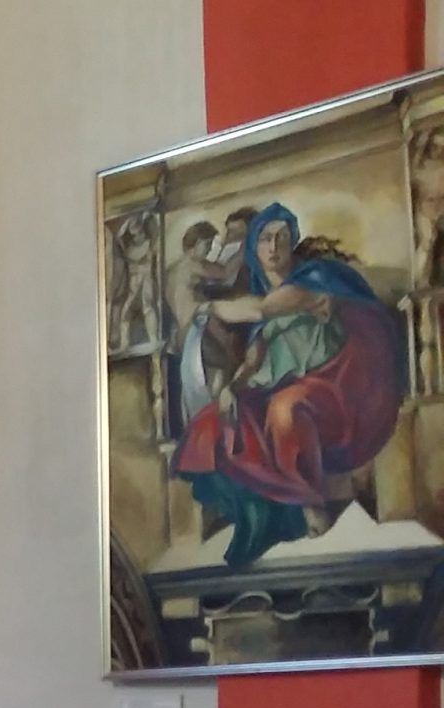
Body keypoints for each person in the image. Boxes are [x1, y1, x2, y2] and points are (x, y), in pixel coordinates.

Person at [173, 202, 406, 567]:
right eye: (265, 238)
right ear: (254, 248)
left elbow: (262, 309)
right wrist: (232, 388)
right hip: (293, 388)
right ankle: (262, 518)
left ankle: (310, 508)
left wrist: (208, 309)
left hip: (338, 387)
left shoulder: (312, 281)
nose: (274, 246)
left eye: (282, 237)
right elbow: (253, 360)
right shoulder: (264, 301)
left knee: (285, 407)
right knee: (213, 422)